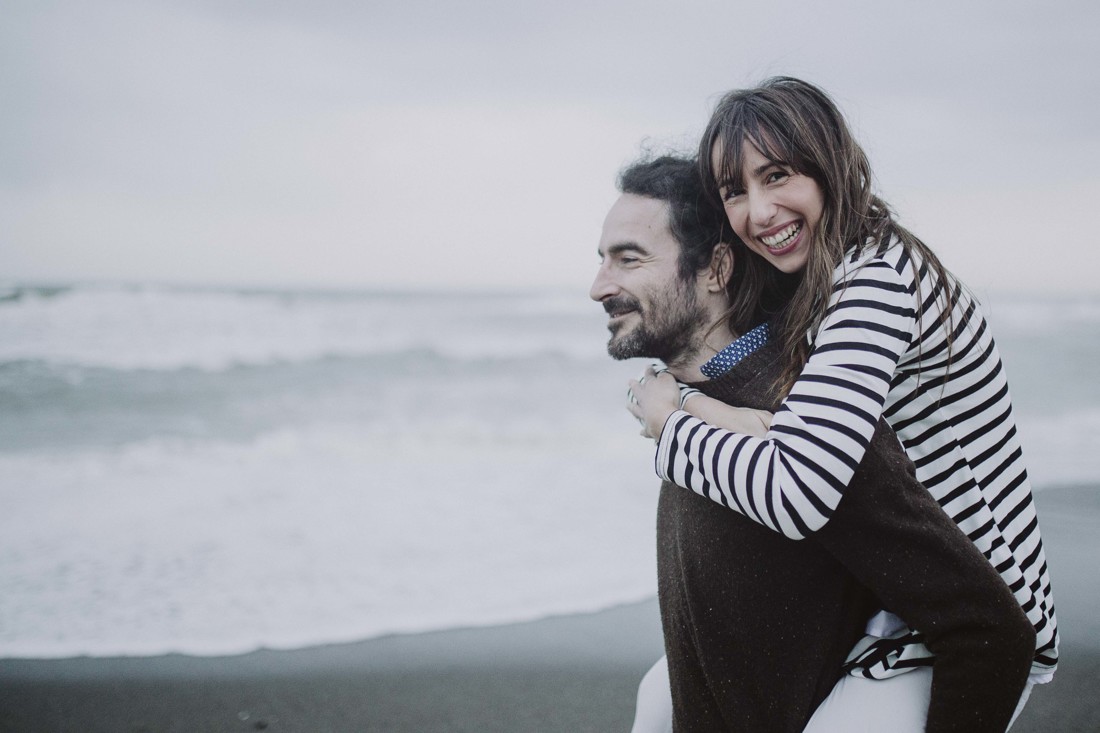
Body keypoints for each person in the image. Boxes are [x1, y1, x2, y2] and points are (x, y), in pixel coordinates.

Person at [627, 78, 1058, 727]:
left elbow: (797, 491)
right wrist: (701, 401)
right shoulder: (828, 278)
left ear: (827, 164)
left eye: (777, 175)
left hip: (977, 624)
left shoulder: (876, 283)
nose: (760, 211)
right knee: (661, 693)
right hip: (886, 597)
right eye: (735, 191)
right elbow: (782, 416)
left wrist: (670, 425)